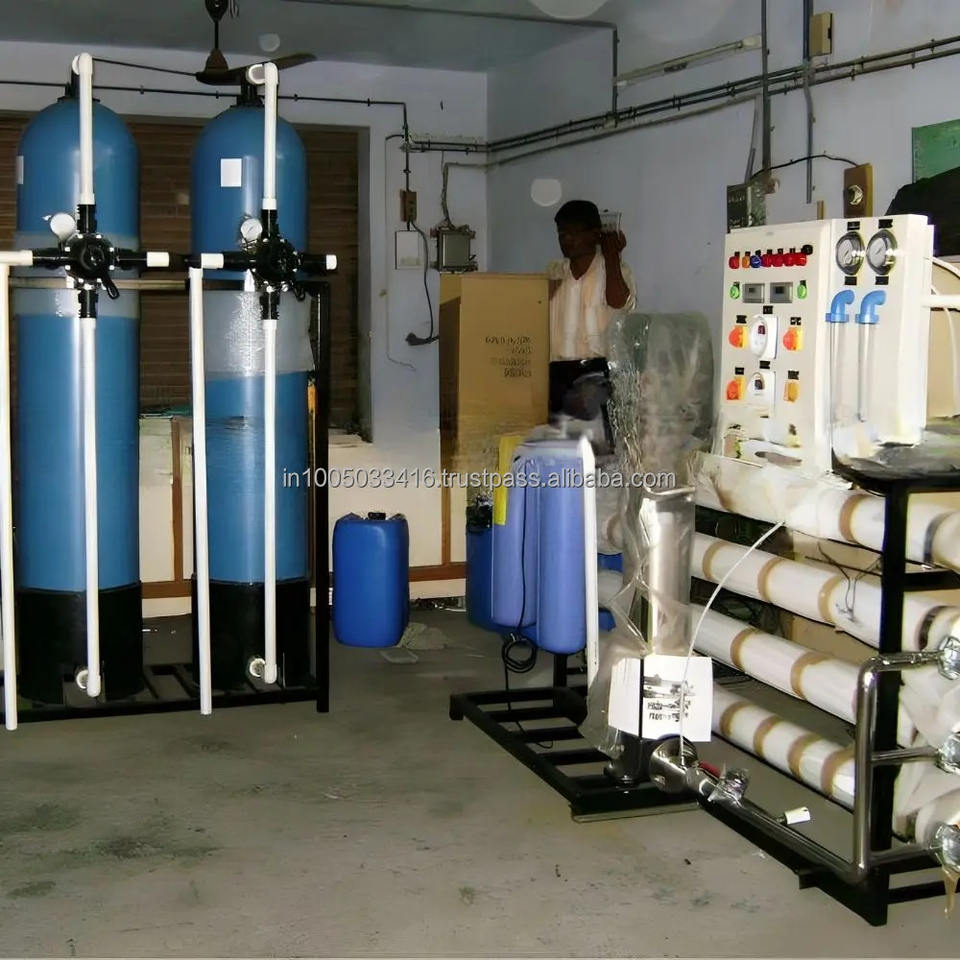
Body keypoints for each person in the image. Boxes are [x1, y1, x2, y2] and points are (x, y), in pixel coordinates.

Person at [546, 200, 637, 452]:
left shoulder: (615, 271)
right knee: (560, 451)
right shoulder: (553, 273)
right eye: (562, 234)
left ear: (595, 234)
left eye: (574, 232)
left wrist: (612, 255)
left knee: (597, 454)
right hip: (557, 375)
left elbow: (619, 302)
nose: (566, 240)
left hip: (596, 376)